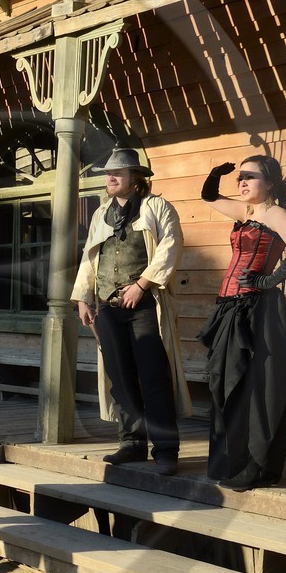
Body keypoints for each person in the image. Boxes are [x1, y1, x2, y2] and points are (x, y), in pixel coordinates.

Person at [72, 148, 193, 471]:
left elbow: (171, 246)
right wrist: (83, 297)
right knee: (120, 378)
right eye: (108, 174)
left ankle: (166, 449)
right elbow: (89, 256)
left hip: (146, 306)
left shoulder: (157, 208)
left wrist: (142, 284)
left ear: (136, 179)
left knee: (154, 377)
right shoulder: (101, 213)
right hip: (109, 309)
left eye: (118, 173)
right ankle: (132, 443)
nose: (110, 178)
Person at [196, 154, 286, 490]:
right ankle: (230, 461)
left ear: (271, 184)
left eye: (250, 176)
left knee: (258, 387)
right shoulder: (247, 211)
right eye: (239, 177)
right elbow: (209, 197)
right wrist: (216, 175)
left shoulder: (275, 212)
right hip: (231, 307)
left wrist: (267, 281)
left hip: (258, 309)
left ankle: (257, 466)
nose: (242, 182)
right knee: (226, 382)